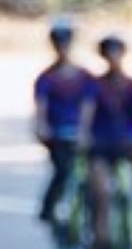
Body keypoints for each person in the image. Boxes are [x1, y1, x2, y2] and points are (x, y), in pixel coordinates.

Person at [87, 33, 132, 249]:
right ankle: (100, 241)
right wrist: (85, 136)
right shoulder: (95, 86)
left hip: (125, 142)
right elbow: (88, 111)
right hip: (101, 144)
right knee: (101, 193)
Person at [33, 18, 95, 224]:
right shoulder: (46, 78)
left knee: (92, 175)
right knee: (62, 171)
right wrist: (42, 128)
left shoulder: (85, 76)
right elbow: (41, 107)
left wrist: (87, 131)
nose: (63, 48)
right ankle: (48, 208)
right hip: (57, 134)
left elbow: (90, 105)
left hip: (81, 134)